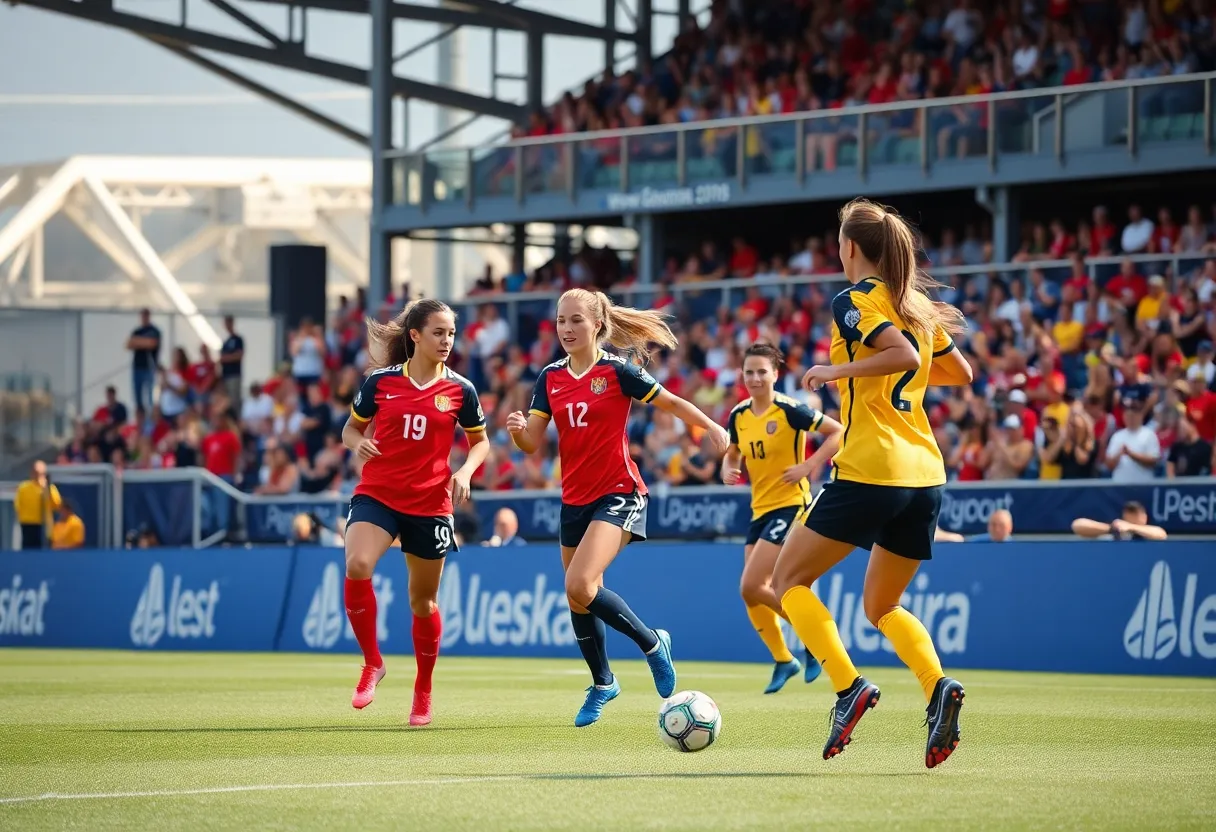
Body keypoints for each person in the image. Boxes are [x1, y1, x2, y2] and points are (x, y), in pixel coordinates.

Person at [771, 198, 974, 769]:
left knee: (786, 580)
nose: (837, 251)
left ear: (852, 248)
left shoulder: (855, 299)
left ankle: (848, 687)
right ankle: (937, 688)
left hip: (872, 467)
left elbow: (901, 354)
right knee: (882, 604)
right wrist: (922, 336)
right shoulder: (916, 306)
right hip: (926, 474)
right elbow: (960, 373)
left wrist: (837, 370)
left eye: (839, 242)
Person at [506, 289, 729, 728]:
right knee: (577, 594)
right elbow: (531, 442)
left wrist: (710, 425)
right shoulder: (549, 378)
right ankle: (604, 682)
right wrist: (517, 431)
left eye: (575, 321)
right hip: (573, 500)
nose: (566, 329)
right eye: (561, 321)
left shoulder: (616, 371)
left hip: (619, 492)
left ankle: (651, 644)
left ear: (596, 326)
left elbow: (669, 401)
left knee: (581, 582)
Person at [342, 299, 490, 727]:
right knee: (358, 563)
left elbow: (480, 441)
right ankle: (373, 662)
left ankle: (423, 690)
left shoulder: (461, 390)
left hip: (429, 505)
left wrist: (464, 470)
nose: (447, 341)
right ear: (415, 336)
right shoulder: (381, 383)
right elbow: (350, 428)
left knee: (422, 602)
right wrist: (357, 443)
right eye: (439, 333)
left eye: (451, 333)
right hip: (379, 494)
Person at [722, 341, 841, 694]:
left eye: (762, 371)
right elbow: (731, 453)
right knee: (752, 593)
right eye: (749, 372)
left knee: (751, 585)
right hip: (760, 508)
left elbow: (837, 432)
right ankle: (784, 659)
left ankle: (815, 636)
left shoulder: (790, 410)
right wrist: (730, 468)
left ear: (775, 374)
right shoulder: (739, 415)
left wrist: (808, 465)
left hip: (791, 504)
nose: (755, 378)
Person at [13, 460, 61, 551]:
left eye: (40, 473)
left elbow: (57, 505)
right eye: (36, 472)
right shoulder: (24, 487)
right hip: (28, 524)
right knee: (28, 550)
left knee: (43, 550)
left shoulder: (50, 488)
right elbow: (17, 506)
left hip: (44, 525)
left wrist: (47, 490)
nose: (37, 475)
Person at [1072, 501, 1168, 541]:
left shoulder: (1149, 532)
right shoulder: (1115, 531)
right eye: (1130, 512)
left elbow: (1162, 535)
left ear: (1145, 517)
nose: (1133, 516)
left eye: (1136, 513)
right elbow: (1077, 525)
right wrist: (1111, 528)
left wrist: (1131, 527)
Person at [126, 308, 161, 412]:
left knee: (150, 397)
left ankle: (150, 418)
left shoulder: (154, 331)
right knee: (138, 398)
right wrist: (143, 342)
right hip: (137, 367)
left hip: (149, 367)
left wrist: (137, 342)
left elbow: (152, 344)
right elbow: (129, 344)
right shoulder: (137, 331)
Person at [935, 509, 1013, 543]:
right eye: (993, 524)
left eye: (1001, 525)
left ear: (1009, 527)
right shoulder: (976, 543)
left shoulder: (1016, 548)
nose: (997, 529)